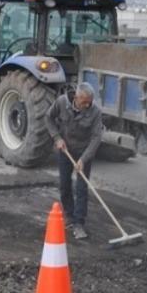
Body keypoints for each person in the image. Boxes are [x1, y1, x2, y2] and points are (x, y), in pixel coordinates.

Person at [45, 82, 103, 240]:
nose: (88, 104)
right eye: (85, 101)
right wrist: (57, 138)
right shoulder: (62, 102)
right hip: (65, 149)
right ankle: (69, 216)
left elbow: (97, 137)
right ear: (76, 97)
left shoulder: (95, 112)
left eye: (90, 101)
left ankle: (79, 223)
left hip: (84, 152)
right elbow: (48, 118)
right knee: (65, 185)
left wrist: (83, 159)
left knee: (82, 188)